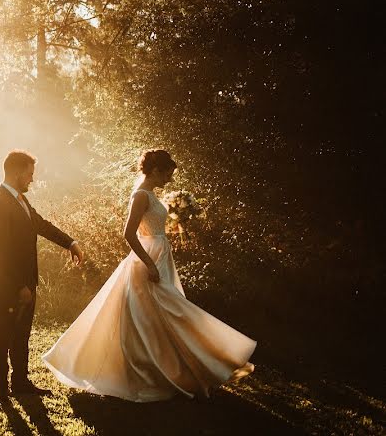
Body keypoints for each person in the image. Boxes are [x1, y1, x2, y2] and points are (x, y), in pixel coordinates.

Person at [42, 149, 256, 401]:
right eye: (167, 174)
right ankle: (183, 363)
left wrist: (176, 226)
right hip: (148, 259)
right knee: (162, 311)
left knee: (164, 312)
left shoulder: (152, 195)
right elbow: (129, 234)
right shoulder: (141, 195)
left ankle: (175, 365)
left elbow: (153, 228)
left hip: (160, 253)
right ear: (155, 170)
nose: (169, 179)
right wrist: (149, 265)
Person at [0, 149, 84, 399]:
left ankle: (20, 382)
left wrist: (70, 242)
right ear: (17, 173)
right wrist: (20, 286)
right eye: (29, 174)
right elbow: (2, 253)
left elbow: (40, 225)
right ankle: (1, 386)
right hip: (10, 284)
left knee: (22, 333)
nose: (32, 179)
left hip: (27, 282)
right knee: (4, 332)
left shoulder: (19, 199)